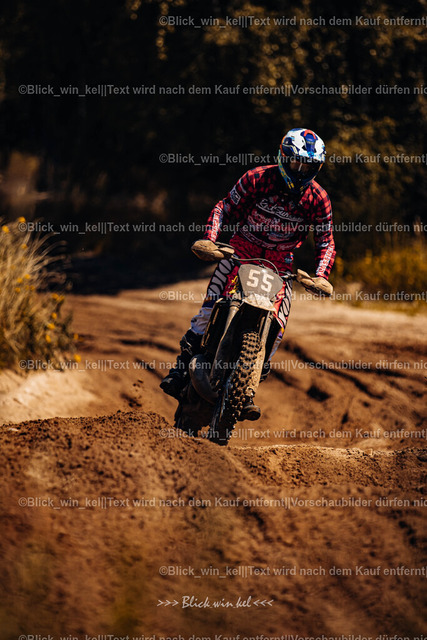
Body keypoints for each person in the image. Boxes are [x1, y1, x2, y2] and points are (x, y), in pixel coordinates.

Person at [160, 128, 336, 420]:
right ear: (283, 157)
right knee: (207, 312)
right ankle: (180, 370)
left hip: (280, 263)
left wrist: (321, 276)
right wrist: (210, 239)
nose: (301, 171)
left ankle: (247, 388)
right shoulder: (257, 178)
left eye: (309, 166)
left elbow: (326, 241)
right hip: (241, 251)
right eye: (296, 163)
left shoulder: (318, 198)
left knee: (278, 326)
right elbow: (224, 208)